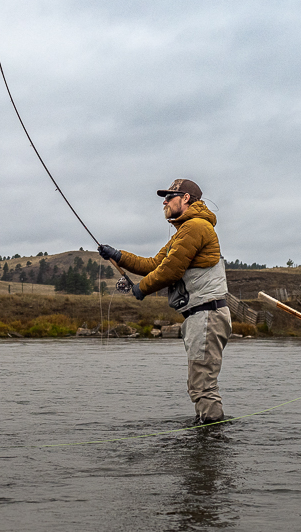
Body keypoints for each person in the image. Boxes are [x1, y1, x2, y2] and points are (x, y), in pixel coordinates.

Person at [98, 178, 231, 424]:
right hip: (201, 316)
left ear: (186, 198)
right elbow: (152, 264)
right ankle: (208, 438)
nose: (165, 201)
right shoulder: (183, 232)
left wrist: (141, 289)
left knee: (202, 385)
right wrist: (118, 256)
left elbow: (170, 271)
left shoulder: (196, 228)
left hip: (207, 316)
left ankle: (212, 441)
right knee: (199, 384)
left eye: (170, 196)